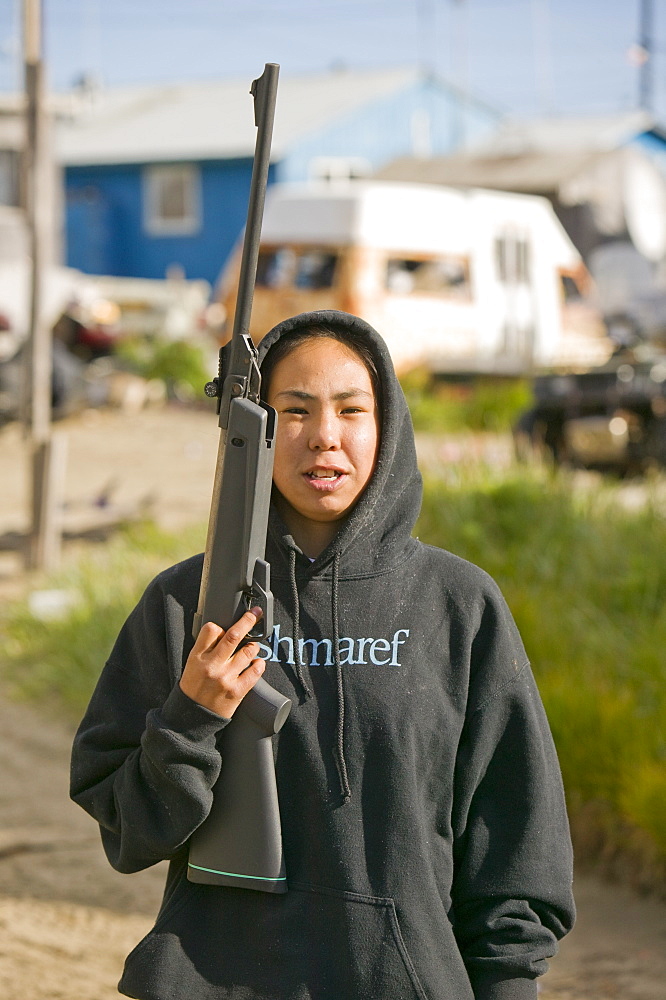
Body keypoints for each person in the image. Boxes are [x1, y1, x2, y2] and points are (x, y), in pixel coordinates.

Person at [71, 310, 575, 1000]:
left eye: (350, 409)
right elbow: (127, 833)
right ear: (258, 427)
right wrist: (191, 717)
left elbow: (517, 848)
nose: (324, 437)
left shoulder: (459, 606)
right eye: (296, 410)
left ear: (387, 426)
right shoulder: (186, 602)